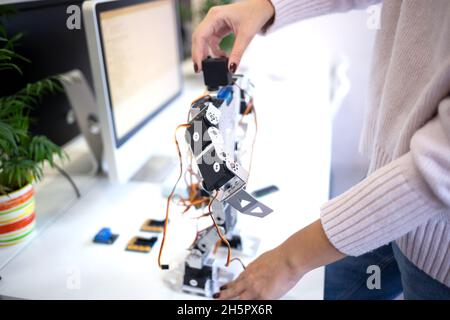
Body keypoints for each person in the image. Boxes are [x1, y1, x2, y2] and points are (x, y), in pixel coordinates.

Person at [191, 0, 450, 300]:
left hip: (438, 245)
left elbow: (440, 168)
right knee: (327, 288)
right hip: (387, 189)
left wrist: (288, 261)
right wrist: (267, 5)